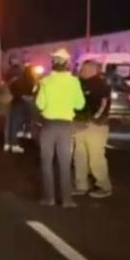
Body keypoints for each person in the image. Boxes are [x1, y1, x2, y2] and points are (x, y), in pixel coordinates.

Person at [35, 48, 85, 208]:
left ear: (53, 63)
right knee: (64, 162)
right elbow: (80, 104)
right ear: (67, 64)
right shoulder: (74, 82)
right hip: (66, 126)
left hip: (48, 126)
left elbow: (39, 104)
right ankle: (67, 200)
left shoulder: (45, 81)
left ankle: (49, 198)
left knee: (46, 162)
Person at [73, 59, 113, 198]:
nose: (82, 71)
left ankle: (104, 186)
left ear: (94, 70)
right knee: (79, 157)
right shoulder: (78, 83)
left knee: (96, 158)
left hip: (95, 126)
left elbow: (104, 105)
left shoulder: (100, 85)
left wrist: (94, 120)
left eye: (86, 69)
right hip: (78, 125)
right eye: (82, 68)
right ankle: (81, 185)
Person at [5, 65, 37, 153]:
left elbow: (11, 87)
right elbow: (35, 92)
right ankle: (26, 132)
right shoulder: (34, 82)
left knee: (13, 122)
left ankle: (9, 143)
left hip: (17, 100)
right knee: (29, 117)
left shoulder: (18, 81)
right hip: (28, 101)